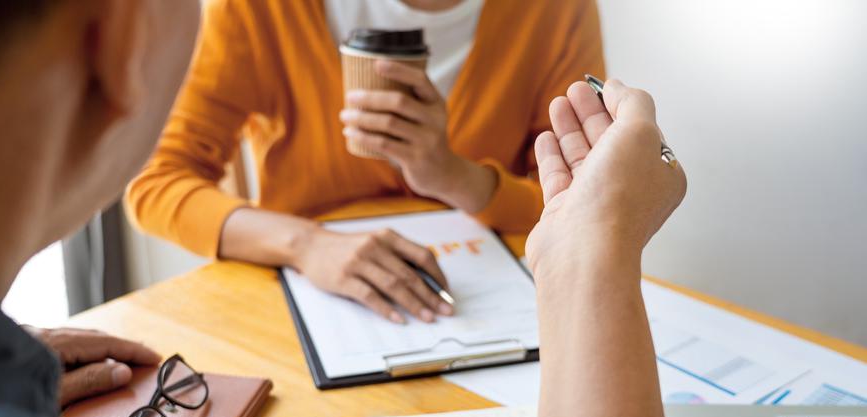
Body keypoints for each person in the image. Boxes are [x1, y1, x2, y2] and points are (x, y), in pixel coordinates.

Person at [0, 1, 709, 417]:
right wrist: (597, 257)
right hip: (306, 341)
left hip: (486, 324)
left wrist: (452, 175)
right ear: (124, 37)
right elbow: (166, 181)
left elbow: (546, 192)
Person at [125, 0, 605, 324]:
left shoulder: (554, 10)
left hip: (494, 310)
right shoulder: (265, 10)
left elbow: (586, 199)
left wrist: (453, 176)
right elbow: (157, 183)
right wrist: (306, 245)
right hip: (315, 308)